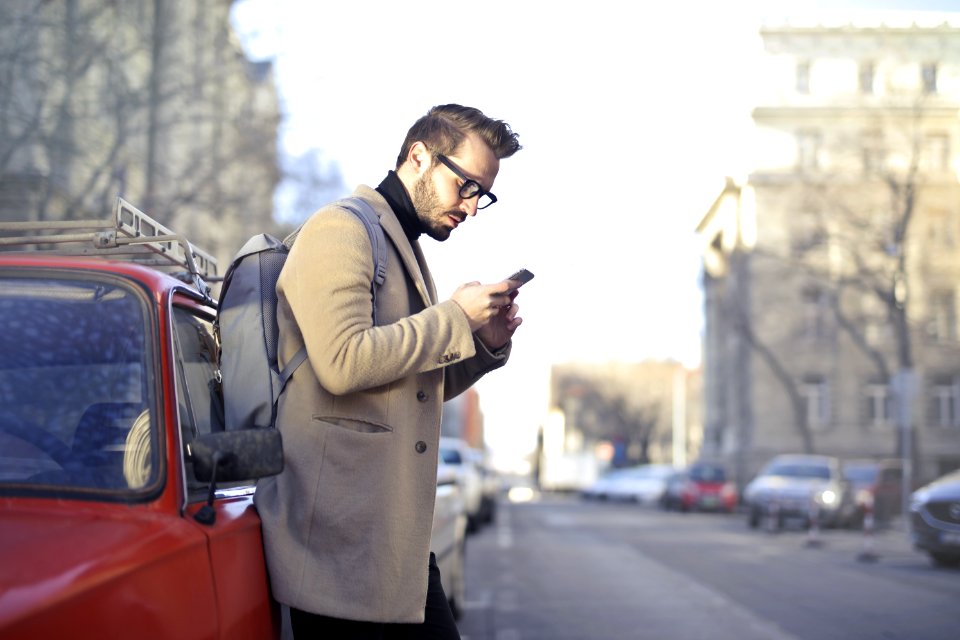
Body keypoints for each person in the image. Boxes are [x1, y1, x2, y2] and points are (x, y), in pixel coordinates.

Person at [254, 104, 524, 639]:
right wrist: (452, 319)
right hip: (338, 551)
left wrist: (480, 346)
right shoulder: (341, 228)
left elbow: (408, 386)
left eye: (483, 195)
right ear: (419, 156)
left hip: (387, 543)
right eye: (466, 185)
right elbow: (343, 361)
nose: (472, 208)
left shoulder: (402, 249)